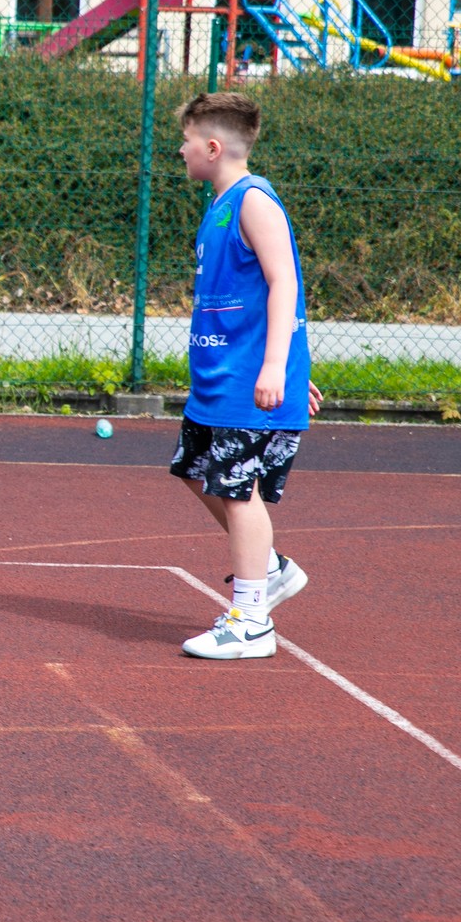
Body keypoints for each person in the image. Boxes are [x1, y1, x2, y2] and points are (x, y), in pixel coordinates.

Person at [172, 91, 319, 660]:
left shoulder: (254, 201)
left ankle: (252, 622)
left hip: (247, 384)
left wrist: (280, 365)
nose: (181, 150)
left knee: (237, 491)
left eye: (186, 141)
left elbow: (285, 282)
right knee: (194, 471)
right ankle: (271, 569)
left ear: (212, 147)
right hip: (217, 378)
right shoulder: (220, 204)